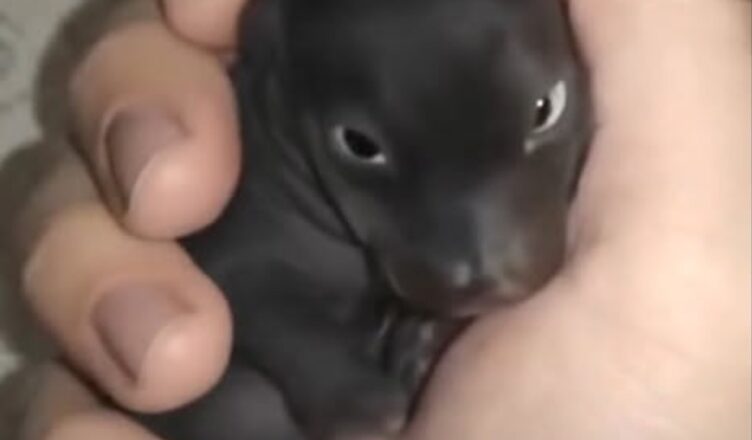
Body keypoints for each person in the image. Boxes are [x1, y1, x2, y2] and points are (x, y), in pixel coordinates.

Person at [8, 0, 750, 439]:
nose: (486, 258)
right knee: (230, 406)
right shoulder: (254, 157)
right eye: (362, 149)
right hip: (250, 380)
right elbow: (252, 290)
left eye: (542, 114)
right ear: (271, 57)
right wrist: (338, 389)